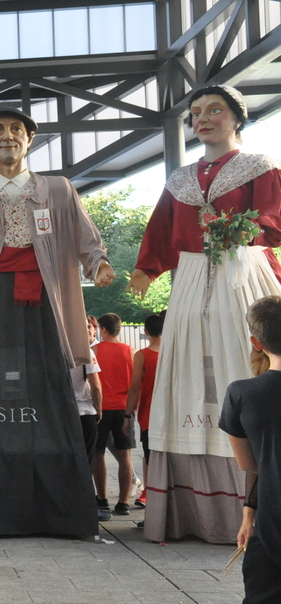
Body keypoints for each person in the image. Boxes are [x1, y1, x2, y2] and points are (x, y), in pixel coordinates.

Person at [0, 106, 115, 539]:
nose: (7, 136)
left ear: (30, 139)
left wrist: (98, 264)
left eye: (17, 129)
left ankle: (63, 511)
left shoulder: (58, 189)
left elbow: (87, 238)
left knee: (52, 389)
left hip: (47, 302)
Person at [128, 85, 281, 544]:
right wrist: (145, 268)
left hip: (244, 269)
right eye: (196, 113)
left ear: (237, 117)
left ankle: (260, 495)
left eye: (215, 110)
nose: (203, 118)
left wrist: (247, 229)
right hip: (193, 276)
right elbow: (161, 229)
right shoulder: (179, 179)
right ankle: (192, 508)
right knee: (189, 370)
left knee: (247, 360)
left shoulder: (260, 166)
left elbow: (274, 217)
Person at [219, 295, 281, 602]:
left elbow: (250, 464)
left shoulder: (241, 393)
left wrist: (249, 516)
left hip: (272, 525)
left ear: (256, 342)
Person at [92, 313, 135, 517]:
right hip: (124, 408)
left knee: (98, 453)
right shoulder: (131, 352)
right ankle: (123, 502)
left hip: (100, 408)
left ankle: (102, 498)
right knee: (125, 454)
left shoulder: (94, 351)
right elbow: (136, 383)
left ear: (103, 329)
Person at [124, 312, 163, 508]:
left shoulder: (142, 355)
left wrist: (127, 414)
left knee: (150, 456)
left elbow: (134, 387)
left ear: (146, 331)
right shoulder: (173, 354)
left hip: (149, 414)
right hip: (171, 415)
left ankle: (150, 493)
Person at [70, 325, 106, 521]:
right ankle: (85, 505)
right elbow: (96, 385)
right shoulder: (85, 351)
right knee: (86, 460)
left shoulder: (55, 349)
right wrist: (99, 408)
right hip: (84, 412)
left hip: (62, 414)